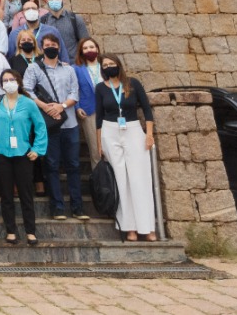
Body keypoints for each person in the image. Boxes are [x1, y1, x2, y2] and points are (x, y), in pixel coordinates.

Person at [23, 30, 85, 220]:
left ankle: (78, 207)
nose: (51, 48)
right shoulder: (34, 68)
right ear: (41, 48)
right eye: (47, 46)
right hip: (49, 125)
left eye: (54, 46)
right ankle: (57, 207)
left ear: (59, 48)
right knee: (51, 165)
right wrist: (45, 107)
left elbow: (75, 93)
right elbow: (26, 90)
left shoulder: (69, 69)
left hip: (70, 123)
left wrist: (62, 106)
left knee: (74, 165)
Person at [95, 54, 157, 241]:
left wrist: (149, 134)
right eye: (105, 65)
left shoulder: (133, 84)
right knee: (121, 180)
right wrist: (99, 144)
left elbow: (146, 110)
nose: (108, 67)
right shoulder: (100, 88)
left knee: (140, 178)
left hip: (132, 128)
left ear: (119, 65)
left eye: (111, 64)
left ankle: (148, 227)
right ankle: (129, 228)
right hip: (110, 130)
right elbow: (99, 117)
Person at [0, 69, 48, 245]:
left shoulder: (28, 103)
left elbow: (40, 127)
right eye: (5, 80)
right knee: (6, 194)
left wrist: (38, 149)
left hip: (23, 153)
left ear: (18, 81)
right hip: (1, 152)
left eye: (12, 79)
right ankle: (10, 230)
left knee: (26, 193)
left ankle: (30, 231)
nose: (9, 82)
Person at [74, 36, 105, 166]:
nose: (89, 50)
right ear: (81, 52)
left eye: (91, 47)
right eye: (85, 48)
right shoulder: (76, 69)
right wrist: (77, 107)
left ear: (97, 48)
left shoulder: (106, 64)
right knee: (96, 150)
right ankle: (101, 183)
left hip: (109, 110)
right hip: (90, 111)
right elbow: (73, 89)